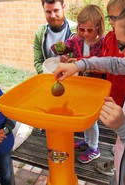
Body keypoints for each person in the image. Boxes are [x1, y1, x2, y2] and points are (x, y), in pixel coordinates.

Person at [54, 0, 125, 184]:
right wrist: (79, 64)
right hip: (122, 166)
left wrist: (123, 126)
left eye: (123, 44)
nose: (119, 50)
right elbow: (113, 63)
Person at [52, 4, 105, 163]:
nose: (85, 33)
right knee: (83, 115)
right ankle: (88, 142)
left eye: (90, 30)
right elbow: (63, 47)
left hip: (95, 87)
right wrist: (61, 50)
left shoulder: (103, 42)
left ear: (99, 27)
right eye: (82, 29)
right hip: (81, 85)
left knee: (91, 119)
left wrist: (78, 61)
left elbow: (102, 63)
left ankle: (94, 148)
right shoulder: (76, 39)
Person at [95, 0, 125, 177]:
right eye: (109, 16)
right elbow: (109, 63)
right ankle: (118, 152)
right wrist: (82, 64)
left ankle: (119, 162)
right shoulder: (111, 38)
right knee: (117, 129)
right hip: (114, 93)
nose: (110, 21)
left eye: (115, 17)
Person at [33, 0, 76, 74]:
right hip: (48, 78)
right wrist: (48, 76)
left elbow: (86, 61)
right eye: (48, 12)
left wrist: (71, 61)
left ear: (63, 7)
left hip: (71, 79)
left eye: (56, 10)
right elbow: (38, 62)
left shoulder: (77, 31)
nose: (53, 16)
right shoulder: (39, 34)